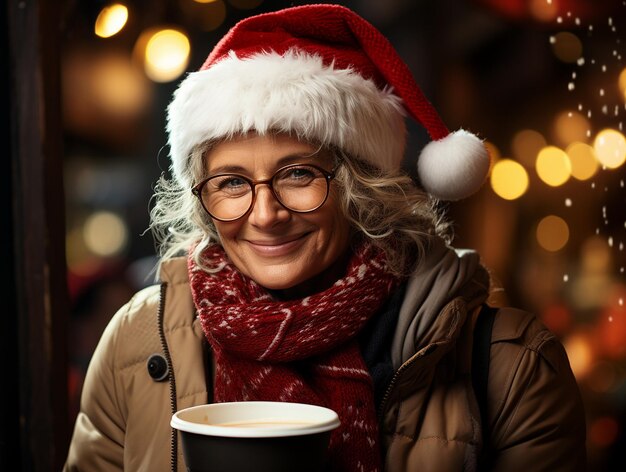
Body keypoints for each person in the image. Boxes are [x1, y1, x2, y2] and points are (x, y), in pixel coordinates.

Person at [63, 4, 586, 472]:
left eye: (297, 174)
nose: (265, 215)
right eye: (230, 183)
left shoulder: (511, 364)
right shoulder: (136, 341)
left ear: (362, 189)